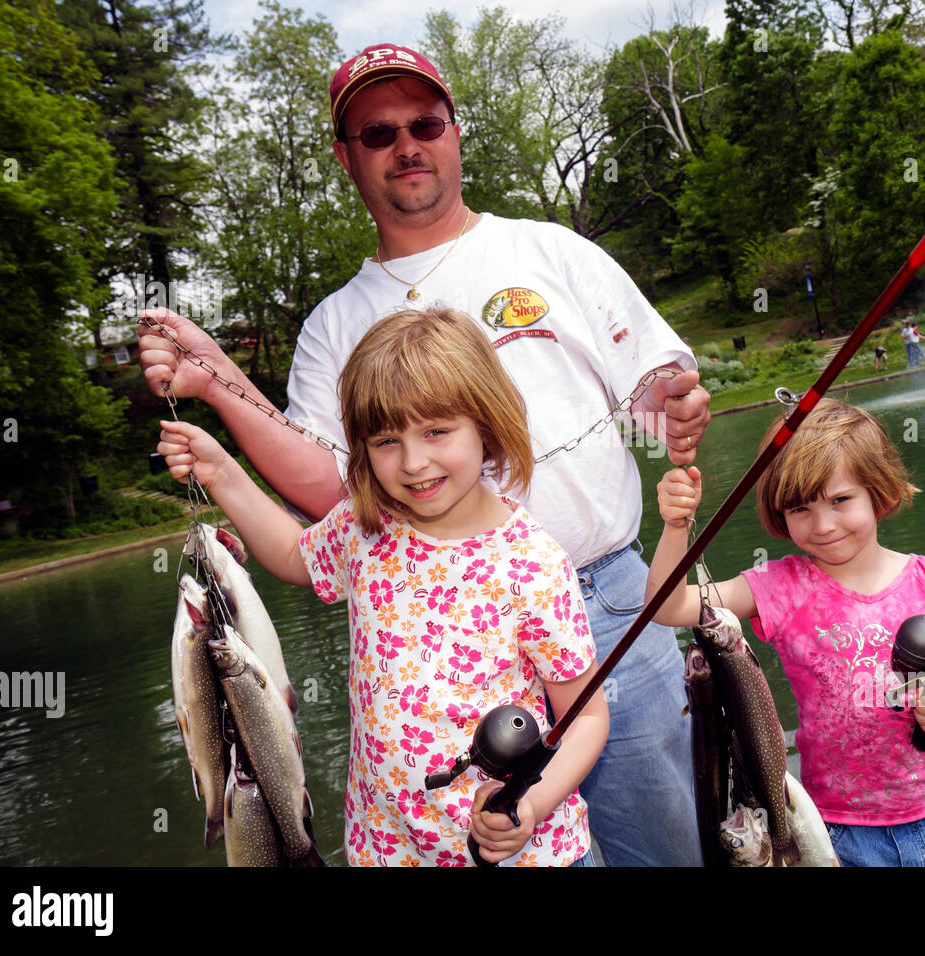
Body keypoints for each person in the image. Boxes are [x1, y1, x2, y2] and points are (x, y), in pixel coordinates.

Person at [137, 43, 707, 866]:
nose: (406, 144)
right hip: (422, 651)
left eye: (424, 123)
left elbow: (655, 378)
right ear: (346, 156)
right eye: (377, 133)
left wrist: (668, 402)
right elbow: (325, 490)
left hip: (605, 598)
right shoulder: (335, 324)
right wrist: (218, 383)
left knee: (663, 849)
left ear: (455, 132)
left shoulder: (551, 249)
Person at [157, 308, 610, 867]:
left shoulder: (534, 565)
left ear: (487, 424)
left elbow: (587, 717)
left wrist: (532, 804)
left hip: (524, 856)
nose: (414, 462)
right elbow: (294, 556)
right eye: (387, 440)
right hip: (388, 849)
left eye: (437, 431)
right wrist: (220, 471)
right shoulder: (366, 527)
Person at [645, 399, 925, 867]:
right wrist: (675, 527)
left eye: (841, 500)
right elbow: (670, 606)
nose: (823, 525)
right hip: (839, 835)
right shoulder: (782, 586)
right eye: (800, 509)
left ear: (879, 492)